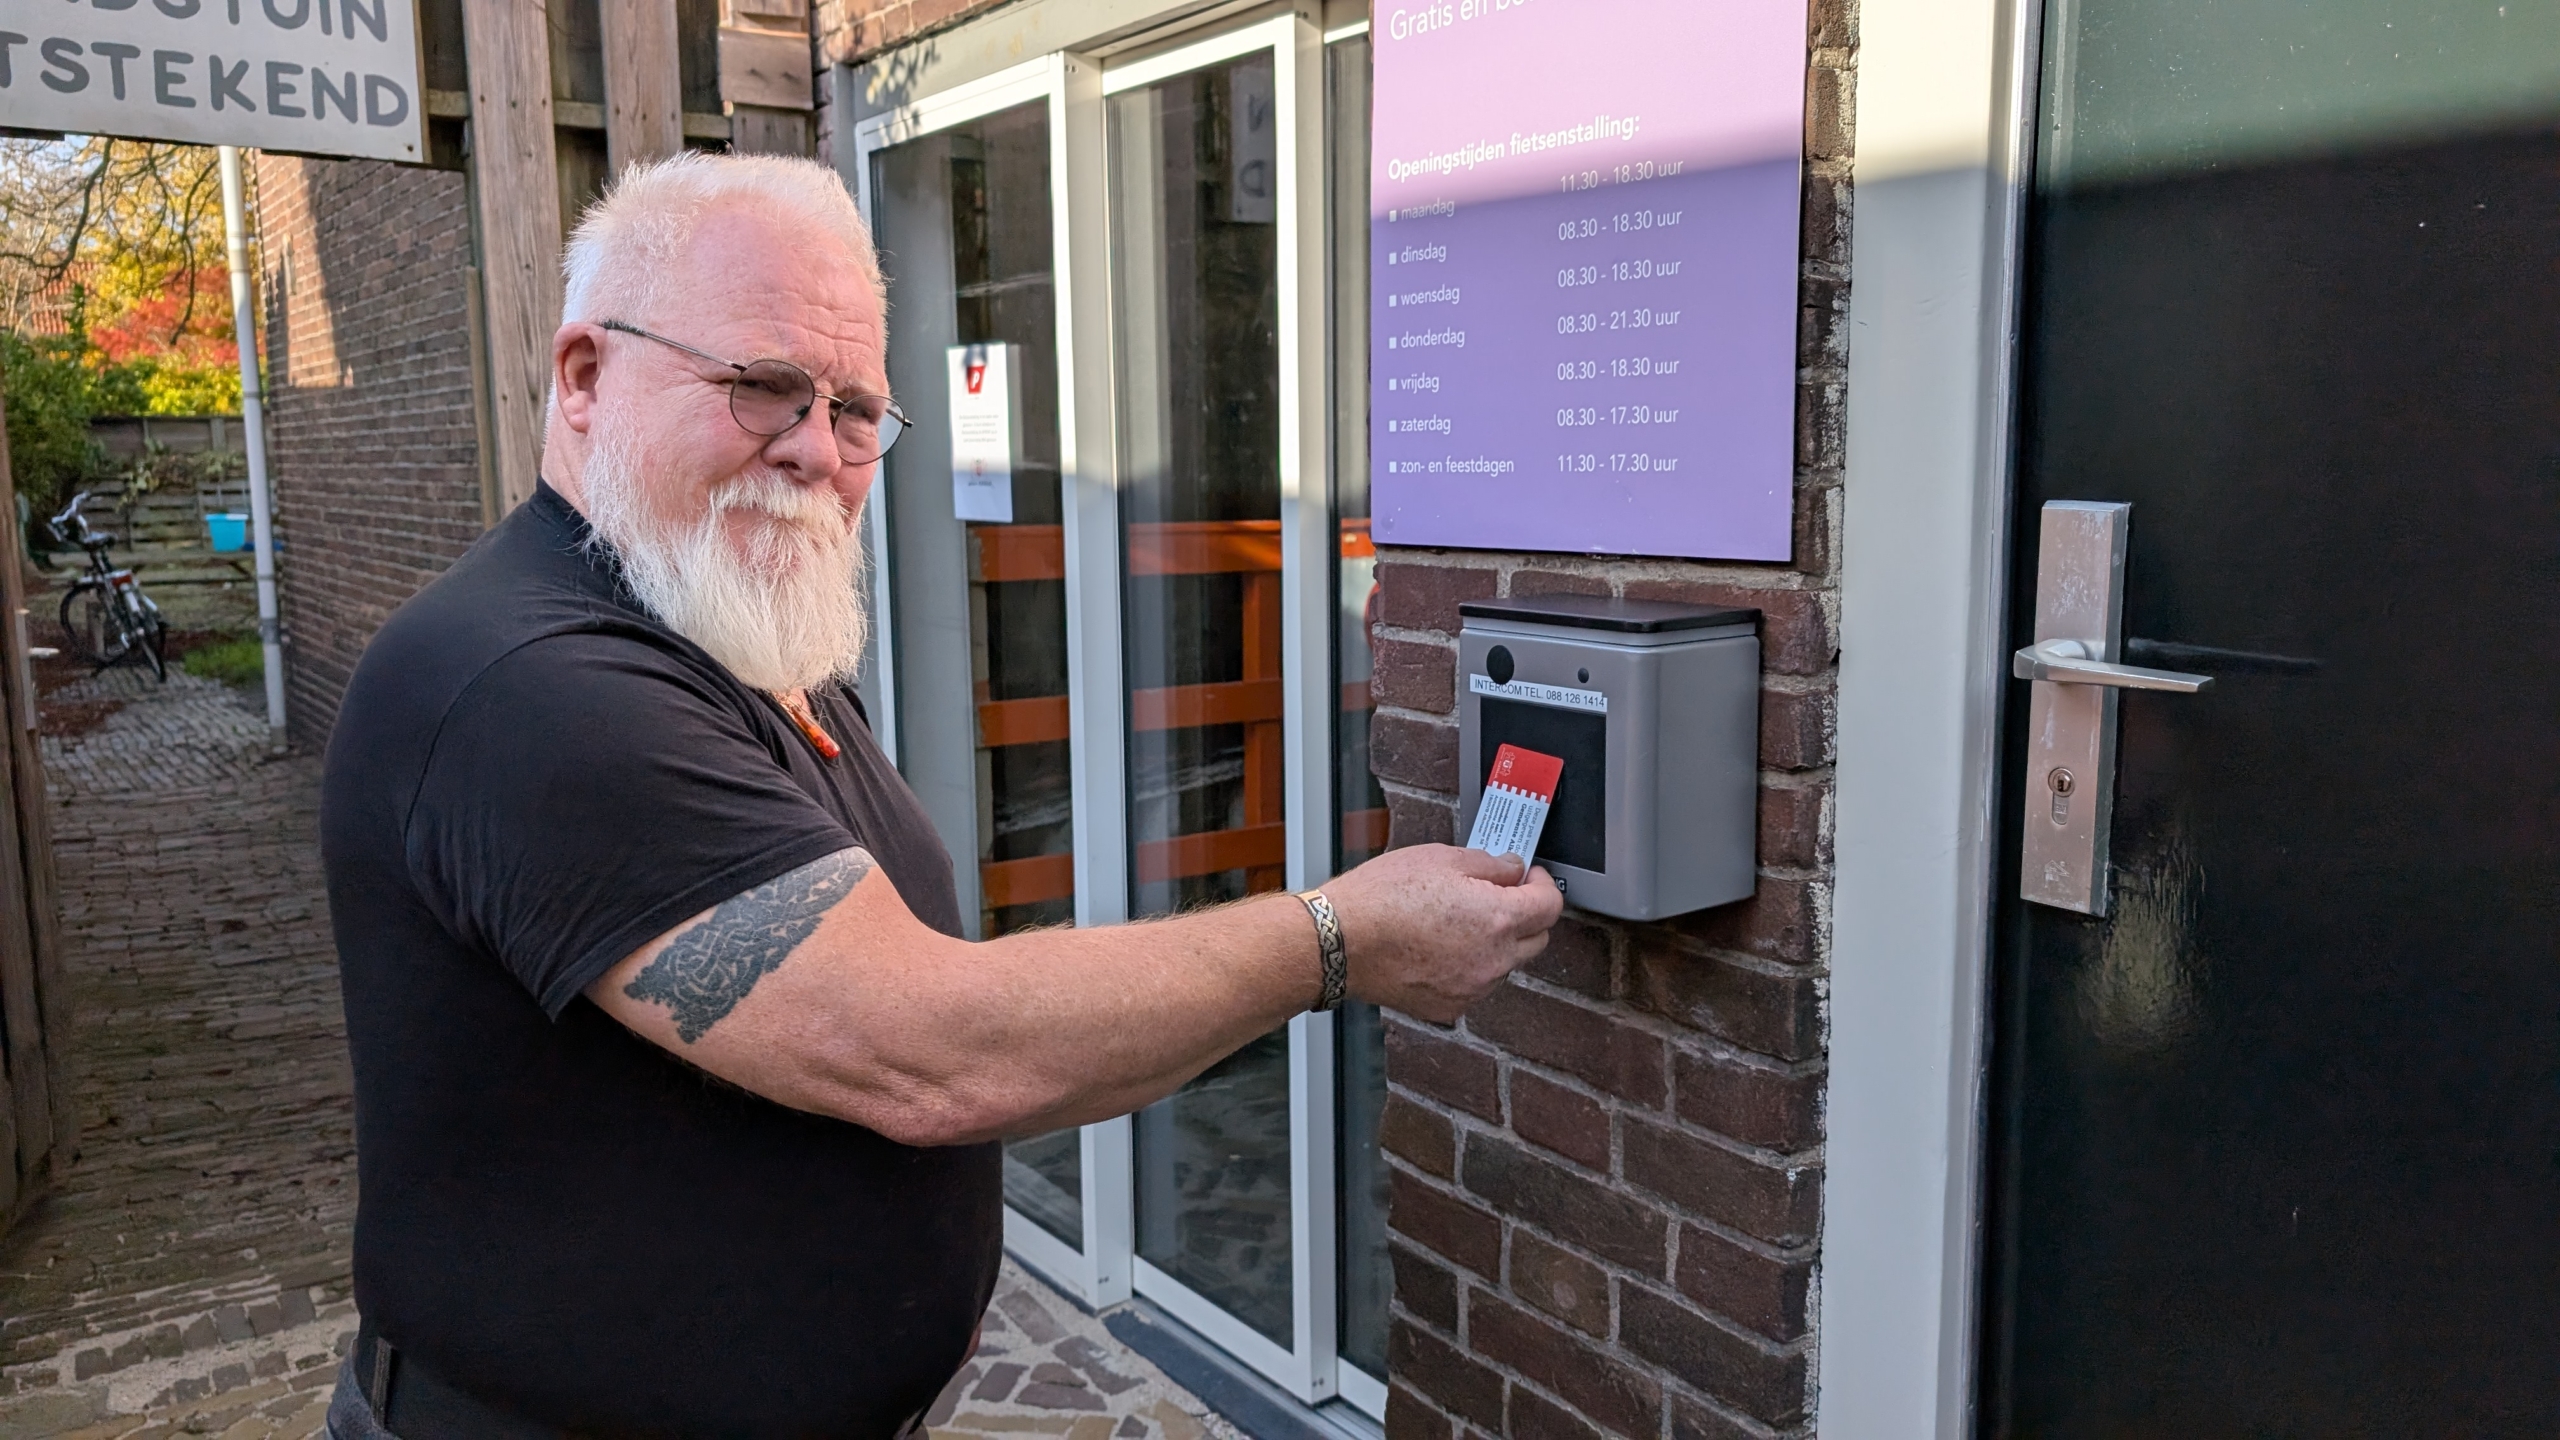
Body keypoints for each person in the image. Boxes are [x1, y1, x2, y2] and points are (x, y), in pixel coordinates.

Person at [317, 152, 1561, 1438]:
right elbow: (929, 1051)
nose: (815, 449)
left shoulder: (730, 637)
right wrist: (1339, 941)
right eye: (761, 387)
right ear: (585, 377)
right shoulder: (529, 688)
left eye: (856, 410)